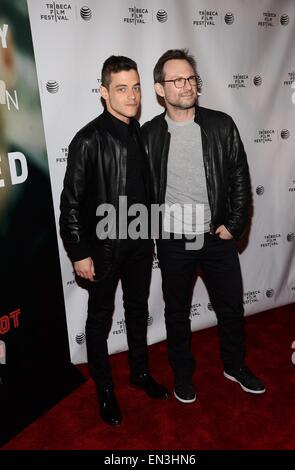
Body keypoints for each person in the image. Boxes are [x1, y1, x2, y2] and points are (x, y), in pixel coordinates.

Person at [141, 49, 265, 404]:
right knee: (177, 312)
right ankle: (182, 373)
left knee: (230, 307)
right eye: (176, 80)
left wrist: (235, 223)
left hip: (216, 236)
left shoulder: (221, 124)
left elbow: (240, 176)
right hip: (173, 240)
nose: (186, 85)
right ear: (159, 89)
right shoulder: (149, 134)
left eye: (191, 78)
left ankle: (235, 365)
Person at [59, 55, 169, 427]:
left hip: (140, 241)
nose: (132, 95)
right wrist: (78, 252)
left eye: (136, 87)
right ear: (104, 92)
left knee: (138, 310)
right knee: (99, 320)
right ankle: (105, 390)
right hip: (103, 248)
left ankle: (139, 374)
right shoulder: (88, 139)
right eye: (122, 88)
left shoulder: (139, 131)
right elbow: (70, 202)